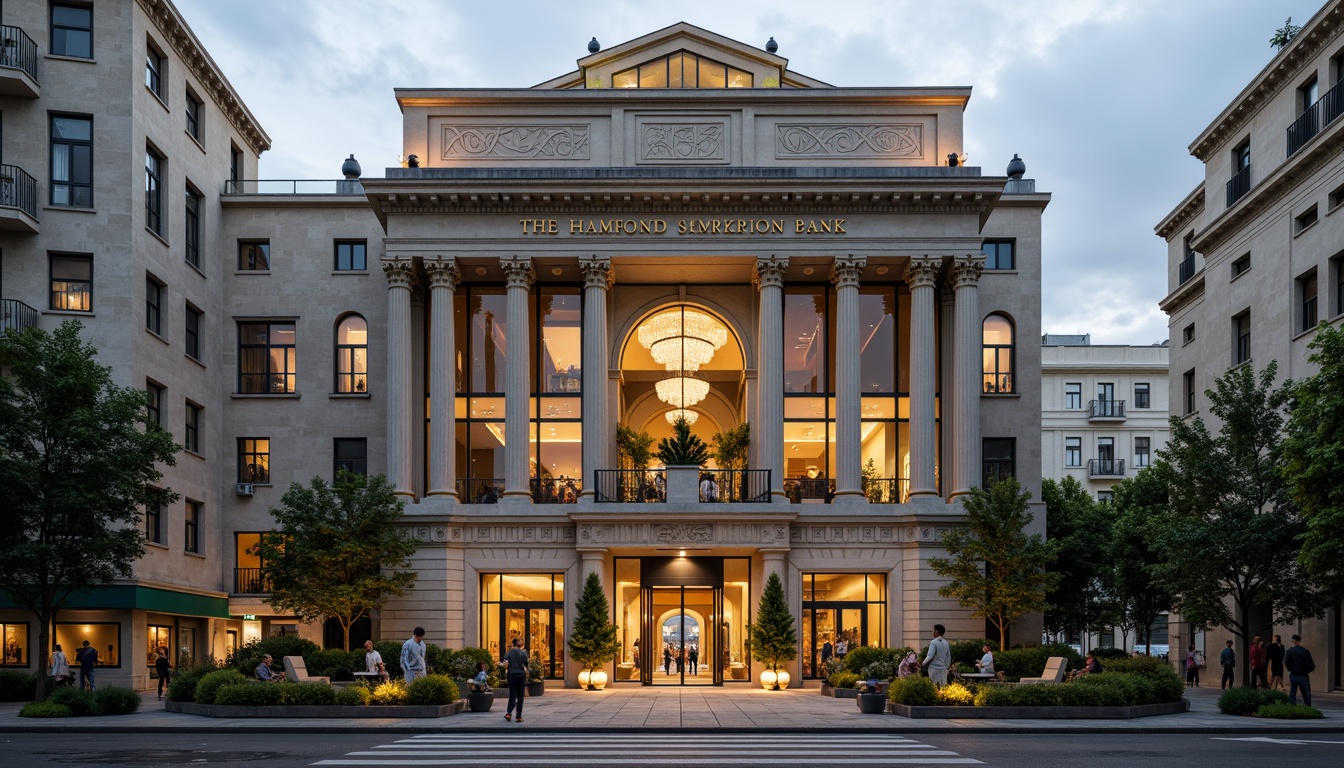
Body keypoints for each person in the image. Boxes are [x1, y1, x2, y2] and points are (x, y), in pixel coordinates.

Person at [1284, 634, 1315, 707]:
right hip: (1303, 674)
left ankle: (1291, 705)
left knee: (1293, 691)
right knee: (1306, 692)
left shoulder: (1290, 651)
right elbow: (1311, 665)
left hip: (1293, 674)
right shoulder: (1305, 651)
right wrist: (1307, 671)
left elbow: (1286, 661)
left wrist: (1290, 669)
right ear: (1299, 641)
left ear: (1293, 641)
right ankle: (1307, 706)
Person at [502, 637, 529, 723]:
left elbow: (505, 662)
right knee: (520, 696)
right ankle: (518, 716)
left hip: (511, 676)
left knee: (512, 695)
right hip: (521, 676)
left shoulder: (509, 653)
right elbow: (526, 663)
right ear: (518, 643)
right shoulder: (522, 652)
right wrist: (528, 671)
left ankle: (509, 713)